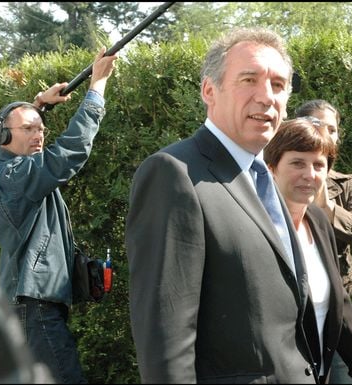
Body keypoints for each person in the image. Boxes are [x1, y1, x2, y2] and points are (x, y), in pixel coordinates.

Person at [126, 28, 323, 383]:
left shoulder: (261, 176)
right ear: (209, 91)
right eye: (249, 79)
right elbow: (166, 336)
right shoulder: (175, 174)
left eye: (278, 85)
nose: (266, 97)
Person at [0, 47, 118, 384]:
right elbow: (71, 152)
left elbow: (24, 136)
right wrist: (97, 88)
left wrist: (38, 107)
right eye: (29, 130)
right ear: (3, 136)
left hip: (28, 305)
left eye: (41, 130)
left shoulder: (8, 168)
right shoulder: (15, 176)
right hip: (34, 308)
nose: (39, 136)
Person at [264, 117, 352, 384]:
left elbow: (338, 301)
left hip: (318, 375)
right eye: (297, 163)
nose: (310, 174)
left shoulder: (319, 222)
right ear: (272, 167)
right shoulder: (255, 227)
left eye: (319, 165)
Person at [296, 100, 352, 384]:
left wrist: (329, 209)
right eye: (321, 126)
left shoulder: (346, 183)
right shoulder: (281, 178)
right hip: (296, 309)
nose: (329, 135)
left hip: (340, 307)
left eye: (334, 129)